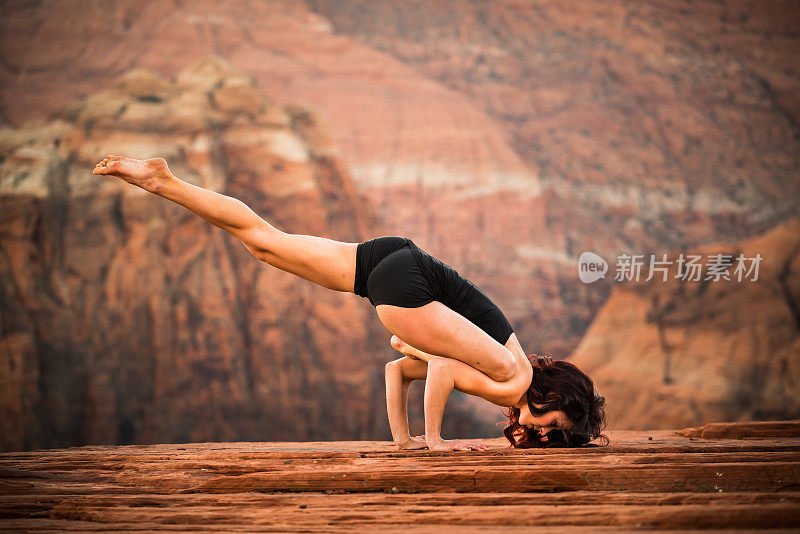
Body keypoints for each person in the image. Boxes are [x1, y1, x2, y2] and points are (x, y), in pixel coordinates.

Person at [93, 155, 607, 451]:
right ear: (554, 399)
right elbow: (445, 370)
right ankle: (164, 180)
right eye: (553, 425)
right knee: (271, 247)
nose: (539, 434)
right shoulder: (513, 378)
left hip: (394, 260)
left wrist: (401, 440)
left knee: (262, 242)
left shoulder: (506, 357)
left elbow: (395, 371)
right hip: (407, 286)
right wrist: (434, 442)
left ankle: (164, 180)